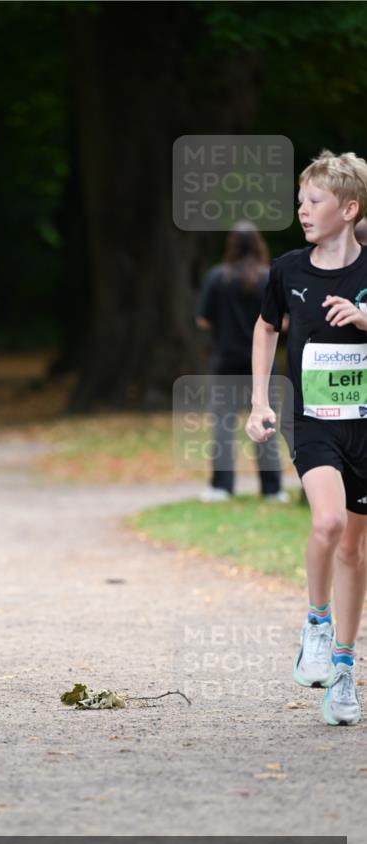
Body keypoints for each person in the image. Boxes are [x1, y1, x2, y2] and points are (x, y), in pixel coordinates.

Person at [247, 150, 367, 727]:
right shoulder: (289, 270)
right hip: (315, 422)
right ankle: (317, 622)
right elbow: (266, 327)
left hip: (365, 426)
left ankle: (343, 669)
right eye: (300, 201)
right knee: (328, 522)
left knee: (354, 551)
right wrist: (259, 400)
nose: (302, 210)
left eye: (314, 201)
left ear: (349, 209)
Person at [196, 222, 286, 502]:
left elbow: (202, 320)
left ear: (231, 245)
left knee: (223, 423)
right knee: (266, 421)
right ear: (259, 245)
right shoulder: (269, 278)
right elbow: (283, 321)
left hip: (226, 360)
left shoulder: (216, 278)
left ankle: (221, 487)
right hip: (264, 364)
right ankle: (272, 489)